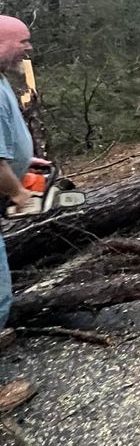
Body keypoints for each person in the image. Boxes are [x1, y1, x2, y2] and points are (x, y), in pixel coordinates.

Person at [0, 16, 36, 331]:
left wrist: (32, 164)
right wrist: (18, 193)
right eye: (22, 42)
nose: (28, 49)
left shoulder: (2, 80)